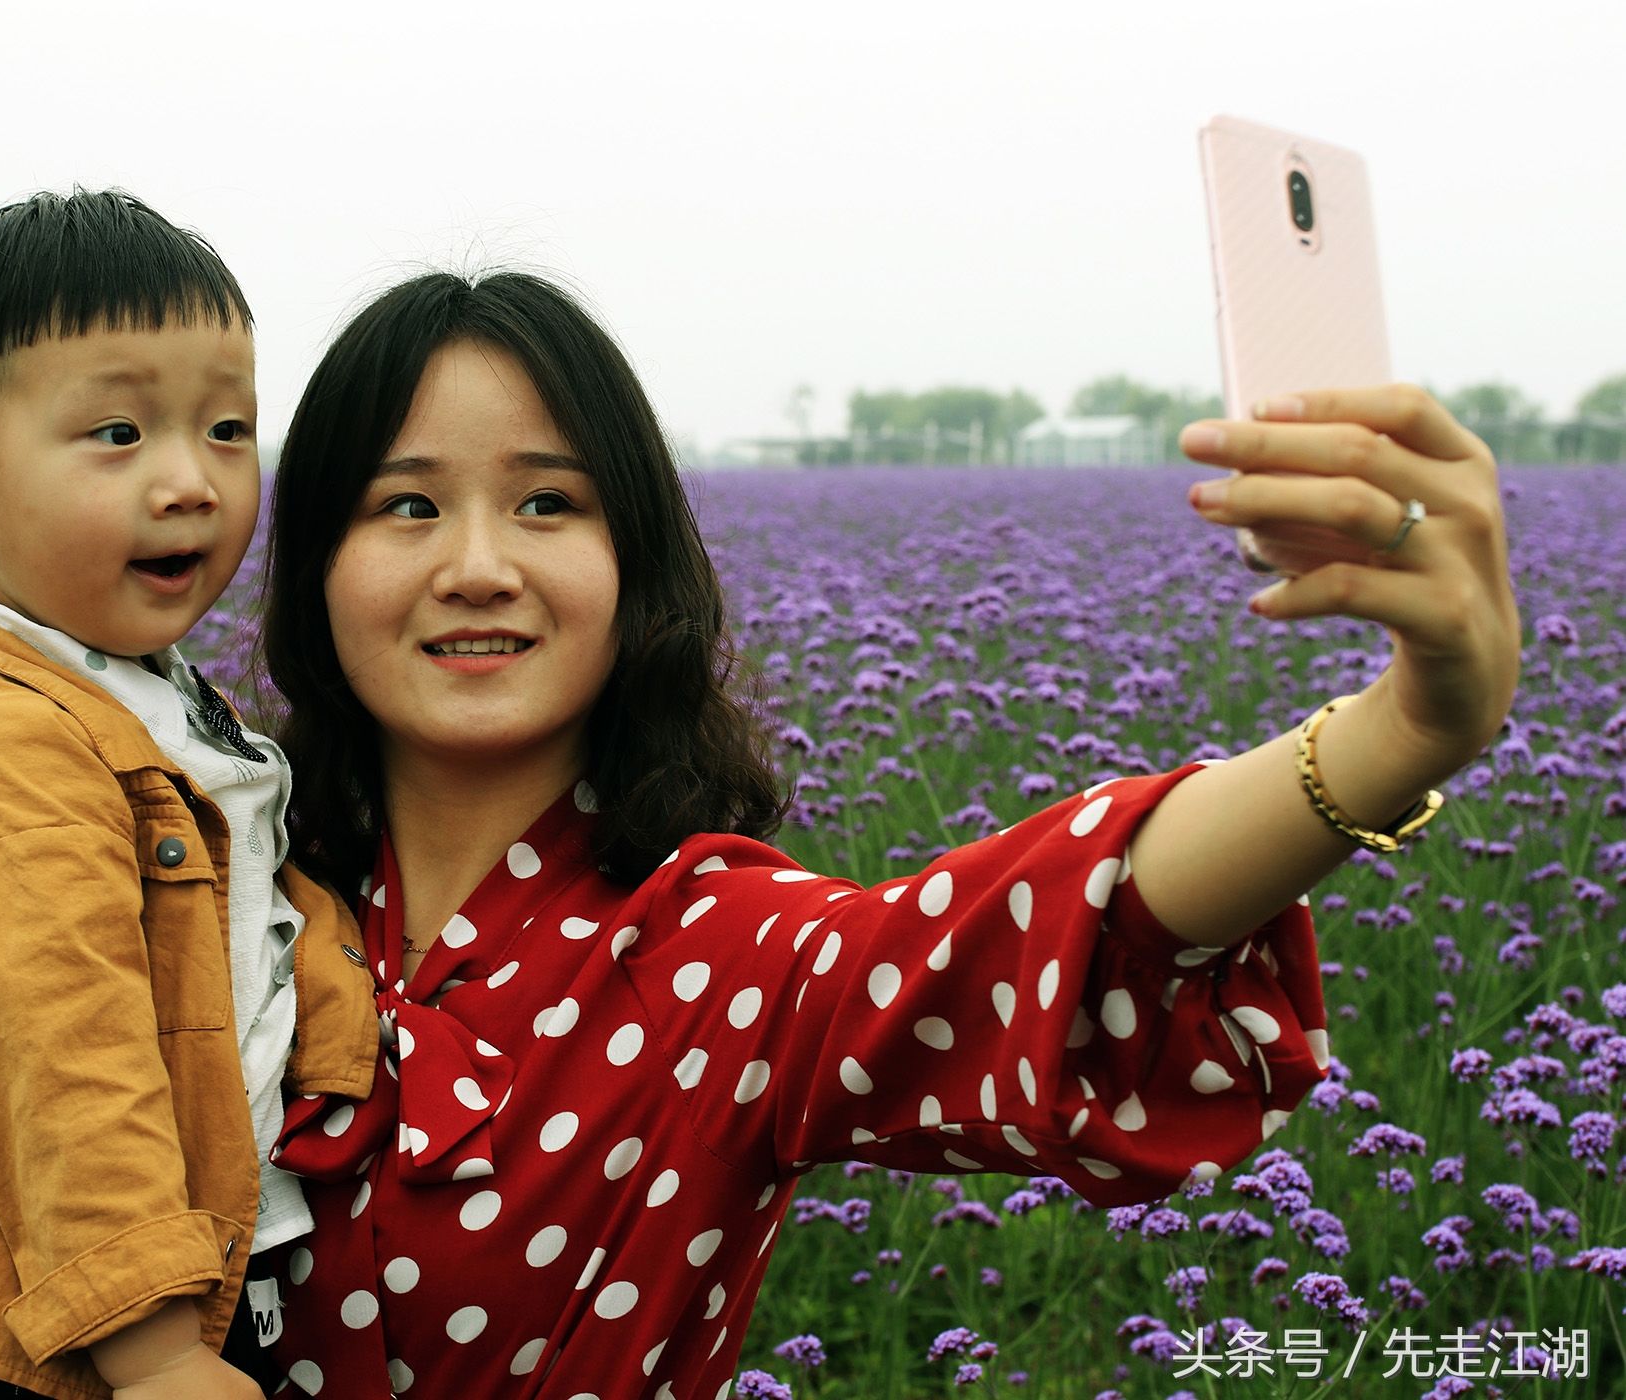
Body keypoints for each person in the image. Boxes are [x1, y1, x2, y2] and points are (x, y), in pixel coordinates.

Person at [241, 271, 1519, 1397]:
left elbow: (1054, 916)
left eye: (548, 503)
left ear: (634, 563)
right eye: (405, 505)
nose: (476, 565)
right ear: (317, 566)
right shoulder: (209, 885)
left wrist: (1406, 729)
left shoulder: (717, 957)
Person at [0, 191, 376, 1400]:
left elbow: (240, 904)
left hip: (148, 1298)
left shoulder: (148, 698)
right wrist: (151, 1347)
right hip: (26, 1350)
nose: (191, 480)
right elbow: (62, 1062)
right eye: (119, 432)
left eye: (226, 429)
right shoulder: (7, 751)